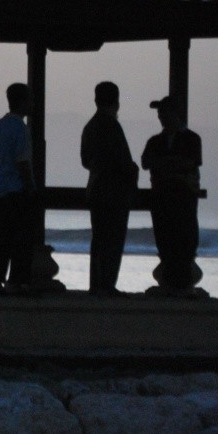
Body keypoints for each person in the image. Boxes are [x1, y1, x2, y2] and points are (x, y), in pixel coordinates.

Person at [79, 81, 138, 294]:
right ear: (116, 102)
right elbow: (123, 161)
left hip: (95, 189)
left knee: (99, 239)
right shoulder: (112, 126)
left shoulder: (90, 126)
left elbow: (85, 161)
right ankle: (107, 284)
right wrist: (133, 173)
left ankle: (97, 283)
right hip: (115, 192)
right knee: (113, 240)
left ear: (96, 100)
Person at [141, 96, 205, 294]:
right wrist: (172, 163)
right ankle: (172, 283)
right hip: (162, 198)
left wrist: (164, 164)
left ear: (175, 114)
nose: (161, 117)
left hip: (182, 197)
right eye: (160, 113)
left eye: (164, 113)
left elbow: (191, 162)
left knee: (184, 240)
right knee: (165, 240)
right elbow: (146, 162)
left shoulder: (191, 139)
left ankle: (181, 283)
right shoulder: (156, 140)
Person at [0, 83, 36, 290]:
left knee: (0, 237)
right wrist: (30, 186)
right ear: (23, 102)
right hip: (16, 190)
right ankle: (16, 281)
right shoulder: (20, 129)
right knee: (20, 238)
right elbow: (22, 162)